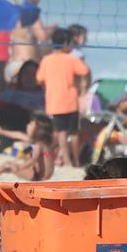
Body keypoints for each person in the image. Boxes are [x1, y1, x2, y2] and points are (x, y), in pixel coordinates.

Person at [36, 28, 90, 167]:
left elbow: (40, 79)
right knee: (74, 132)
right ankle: (76, 161)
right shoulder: (71, 59)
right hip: (71, 101)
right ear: (66, 43)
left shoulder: (46, 60)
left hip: (55, 101)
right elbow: (85, 70)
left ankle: (66, 161)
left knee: (61, 133)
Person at [0, 113, 54, 181]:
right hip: (42, 176)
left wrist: (20, 167)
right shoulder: (44, 143)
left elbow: (33, 160)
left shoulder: (38, 145)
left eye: (31, 124)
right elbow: (17, 135)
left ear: (38, 130)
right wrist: (1, 131)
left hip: (38, 177)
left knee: (9, 164)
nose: (27, 126)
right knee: (10, 165)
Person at [5, 0, 55, 85]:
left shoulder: (16, 9)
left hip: (12, 64)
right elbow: (43, 36)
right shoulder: (31, 11)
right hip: (25, 66)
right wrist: (53, 29)